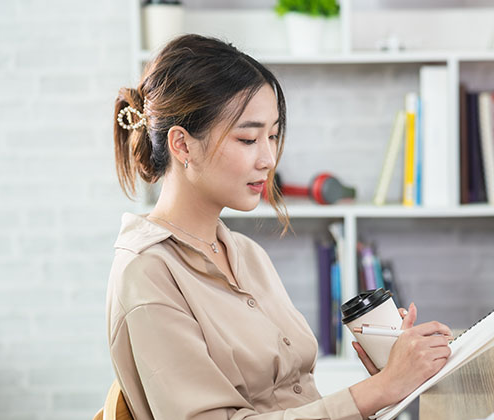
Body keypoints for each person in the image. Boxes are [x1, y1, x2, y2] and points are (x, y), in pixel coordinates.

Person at [107, 34, 452, 420]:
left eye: (272, 136)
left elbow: (293, 398)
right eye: (248, 138)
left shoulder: (246, 254)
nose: (269, 158)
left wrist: (390, 374)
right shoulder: (148, 273)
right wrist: (378, 390)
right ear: (183, 145)